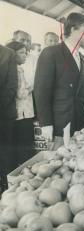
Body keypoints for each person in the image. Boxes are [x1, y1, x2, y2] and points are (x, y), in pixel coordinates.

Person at [34, 12, 84, 150]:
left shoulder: (82, 59)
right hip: (60, 128)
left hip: (82, 128)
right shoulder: (51, 53)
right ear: (73, 30)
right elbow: (41, 92)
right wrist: (46, 124)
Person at [6, 41, 35, 167]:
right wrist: (33, 86)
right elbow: (21, 94)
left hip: (15, 114)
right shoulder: (18, 70)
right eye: (21, 53)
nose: (25, 55)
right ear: (13, 54)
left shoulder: (8, 68)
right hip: (24, 113)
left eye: (26, 52)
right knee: (26, 147)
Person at [0, 45, 18, 192]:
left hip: (3, 113)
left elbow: (12, 86)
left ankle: (5, 189)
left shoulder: (8, 54)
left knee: (4, 154)